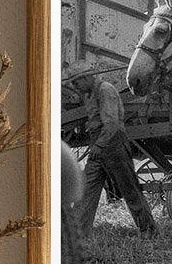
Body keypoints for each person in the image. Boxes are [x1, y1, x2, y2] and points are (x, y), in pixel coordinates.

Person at [67, 67, 157, 238]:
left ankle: (148, 231)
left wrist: (98, 146)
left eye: (76, 82)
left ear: (87, 77)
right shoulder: (89, 94)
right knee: (86, 190)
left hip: (114, 145)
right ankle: (76, 234)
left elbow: (112, 124)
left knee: (130, 191)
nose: (75, 86)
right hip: (99, 146)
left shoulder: (105, 90)